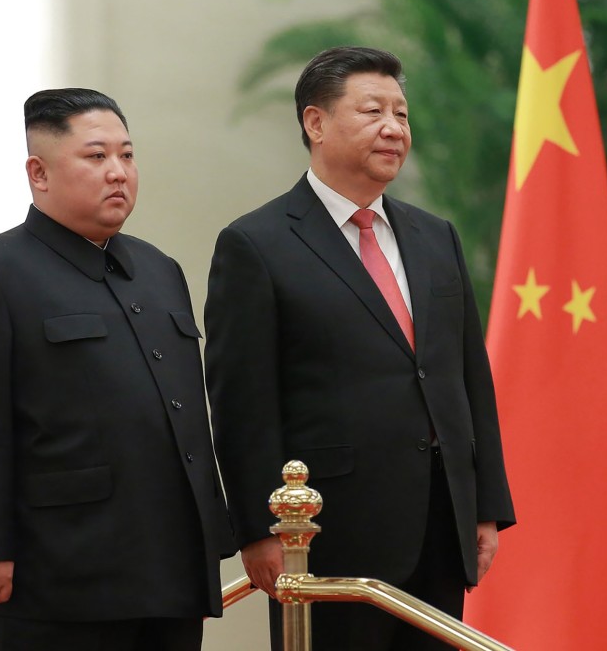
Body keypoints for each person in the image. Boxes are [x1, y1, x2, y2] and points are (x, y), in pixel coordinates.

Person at [204, 47, 516, 650]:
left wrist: (484, 505)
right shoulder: (256, 244)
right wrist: (258, 531)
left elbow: (467, 378)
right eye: (373, 111)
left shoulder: (434, 236)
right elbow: (242, 404)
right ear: (315, 123)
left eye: (402, 114)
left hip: (438, 525)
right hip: (326, 532)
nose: (395, 128)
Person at [0, 88, 232, 651]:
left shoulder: (159, 270)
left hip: (171, 563)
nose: (118, 172)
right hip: (59, 569)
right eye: (96, 157)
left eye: (127, 155)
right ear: (38, 173)